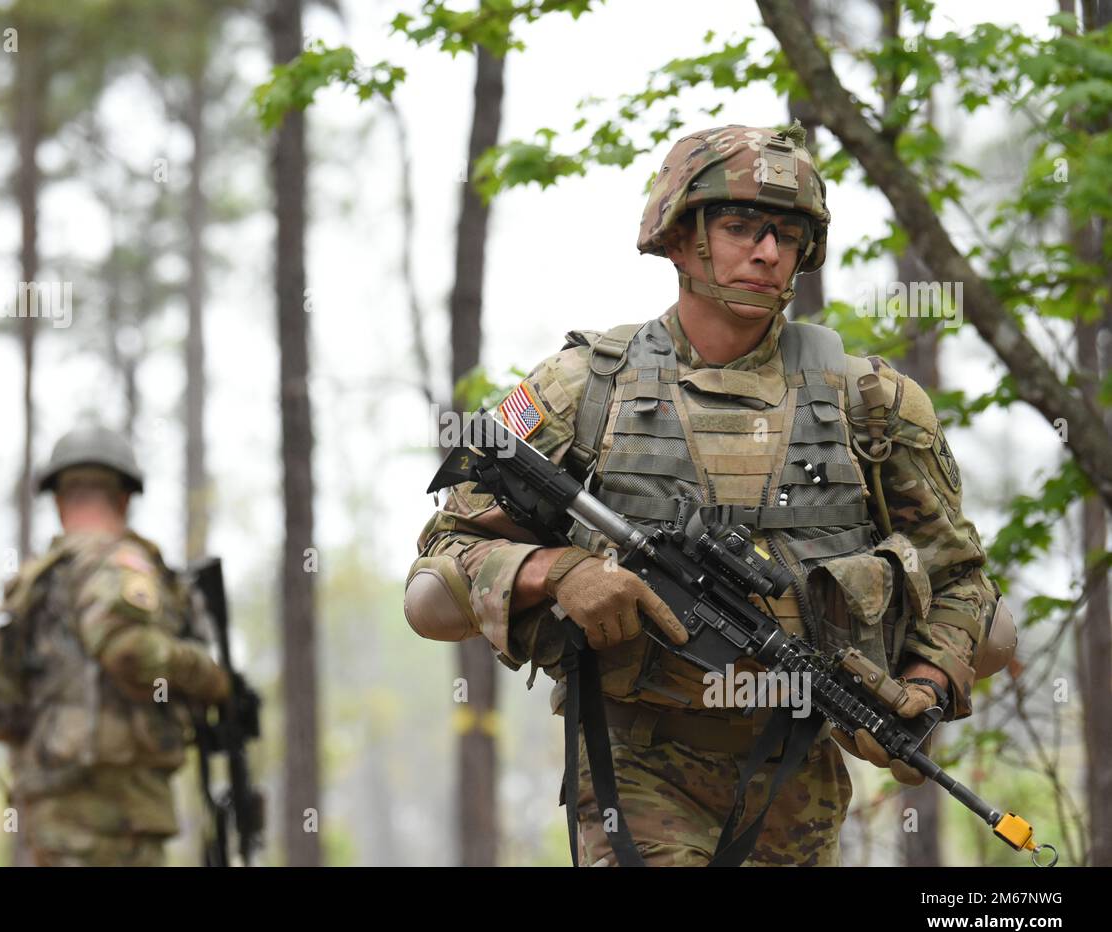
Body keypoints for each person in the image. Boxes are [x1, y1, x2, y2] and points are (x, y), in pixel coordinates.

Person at [404, 123, 1017, 866]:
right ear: (681, 238)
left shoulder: (872, 405)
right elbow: (441, 567)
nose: (767, 252)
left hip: (796, 775)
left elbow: (961, 580)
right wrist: (559, 572)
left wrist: (922, 683)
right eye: (740, 227)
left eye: (787, 236)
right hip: (635, 762)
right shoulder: (585, 386)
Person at [0, 424, 231, 866]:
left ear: (58, 500)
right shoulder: (118, 564)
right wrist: (210, 677)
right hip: (116, 812)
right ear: (124, 497)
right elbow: (130, 652)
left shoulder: (33, 584)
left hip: (52, 809)